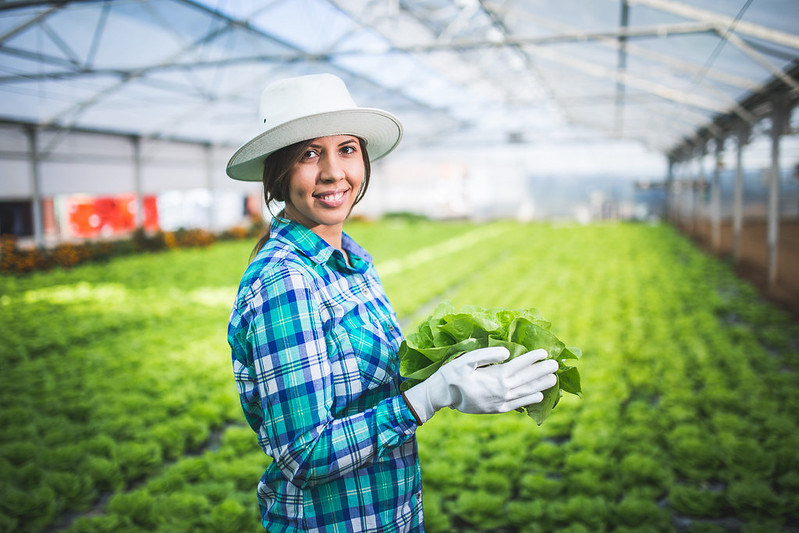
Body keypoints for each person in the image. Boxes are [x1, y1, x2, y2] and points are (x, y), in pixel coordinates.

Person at [226, 73, 558, 532]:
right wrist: (429, 397)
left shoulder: (352, 261)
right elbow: (304, 456)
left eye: (346, 149)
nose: (332, 172)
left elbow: (372, 387)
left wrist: (460, 377)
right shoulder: (286, 282)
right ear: (278, 174)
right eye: (308, 153)